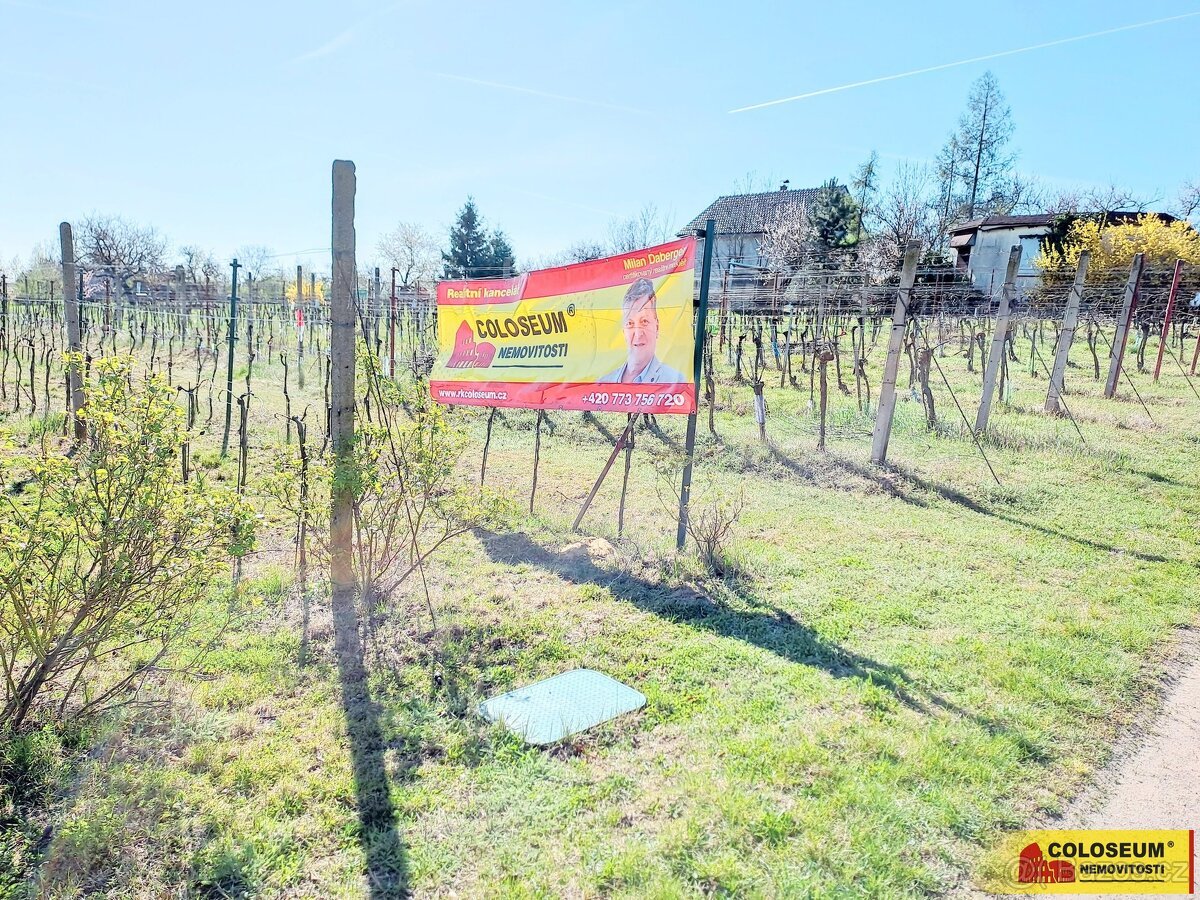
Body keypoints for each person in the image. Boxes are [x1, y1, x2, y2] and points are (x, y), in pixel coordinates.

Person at [598, 277, 689, 384]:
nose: (638, 334)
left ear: (657, 327)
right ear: (623, 331)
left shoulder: (675, 382)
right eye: (630, 323)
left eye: (644, 321)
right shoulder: (603, 384)